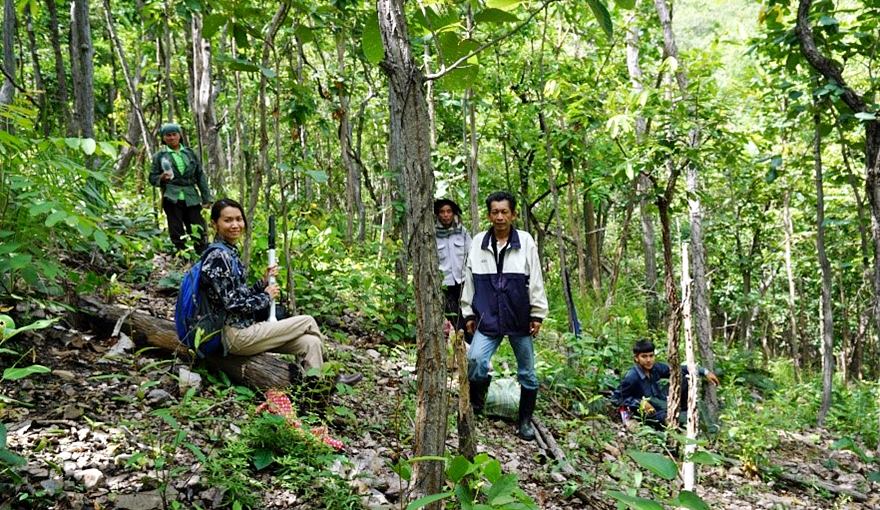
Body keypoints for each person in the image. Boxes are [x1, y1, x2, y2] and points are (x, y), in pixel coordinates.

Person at [200, 198, 362, 387]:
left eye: (239, 219)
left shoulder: (229, 253)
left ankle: (314, 394)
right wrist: (266, 296)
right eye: (228, 220)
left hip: (246, 329)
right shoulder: (218, 256)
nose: (235, 225)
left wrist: (262, 283)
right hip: (234, 336)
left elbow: (238, 296)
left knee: (310, 343)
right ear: (214, 224)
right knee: (308, 320)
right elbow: (233, 304)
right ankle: (331, 378)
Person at [461, 191, 548, 441]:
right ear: (489, 215)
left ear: (513, 214)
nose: (500, 217)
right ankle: (477, 402)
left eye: (504, 212)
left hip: (519, 314)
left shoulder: (525, 241)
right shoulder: (478, 242)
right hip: (488, 314)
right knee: (476, 360)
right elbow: (469, 279)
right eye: (495, 212)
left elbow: (536, 280)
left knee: (527, 371)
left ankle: (525, 421)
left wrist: (537, 314)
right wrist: (468, 312)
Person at [613, 339, 720, 428]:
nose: (649, 360)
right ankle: (681, 419)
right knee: (671, 420)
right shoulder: (632, 376)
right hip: (651, 411)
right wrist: (639, 403)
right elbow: (617, 397)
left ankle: (685, 409)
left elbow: (678, 370)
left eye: (651, 356)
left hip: (660, 400)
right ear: (636, 358)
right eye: (644, 356)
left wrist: (704, 372)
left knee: (684, 378)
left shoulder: (655, 368)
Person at [149, 123, 212, 254]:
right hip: (172, 197)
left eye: (174, 134)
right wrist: (161, 178)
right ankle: (182, 257)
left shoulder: (189, 153)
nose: (172, 138)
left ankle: (202, 255)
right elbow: (152, 178)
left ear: (179, 135)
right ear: (163, 138)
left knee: (198, 228)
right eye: (168, 135)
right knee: (176, 229)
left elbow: (200, 175)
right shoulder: (159, 156)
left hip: (191, 196)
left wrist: (206, 198)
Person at [434, 198, 472, 341]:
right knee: (452, 317)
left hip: (462, 281)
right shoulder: (432, 233)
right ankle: (457, 346)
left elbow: (471, 253)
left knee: (467, 314)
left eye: (449, 211)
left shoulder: (462, 232)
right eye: (442, 212)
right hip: (445, 284)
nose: (445, 215)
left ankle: (469, 345)